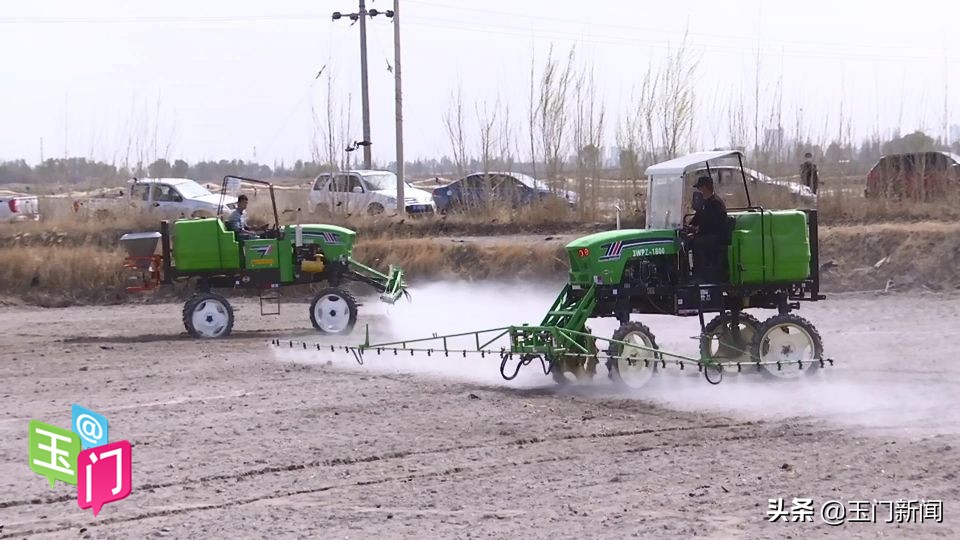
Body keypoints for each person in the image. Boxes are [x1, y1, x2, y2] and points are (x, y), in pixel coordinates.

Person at [687, 176, 729, 283]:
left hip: (717, 236)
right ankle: (685, 273)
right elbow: (697, 219)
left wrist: (697, 229)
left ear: (705, 188)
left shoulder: (716, 203)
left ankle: (701, 275)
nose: (698, 191)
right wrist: (687, 226)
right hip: (706, 234)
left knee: (698, 242)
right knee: (685, 243)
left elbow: (713, 224)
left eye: (699, 188)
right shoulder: (703, 203)